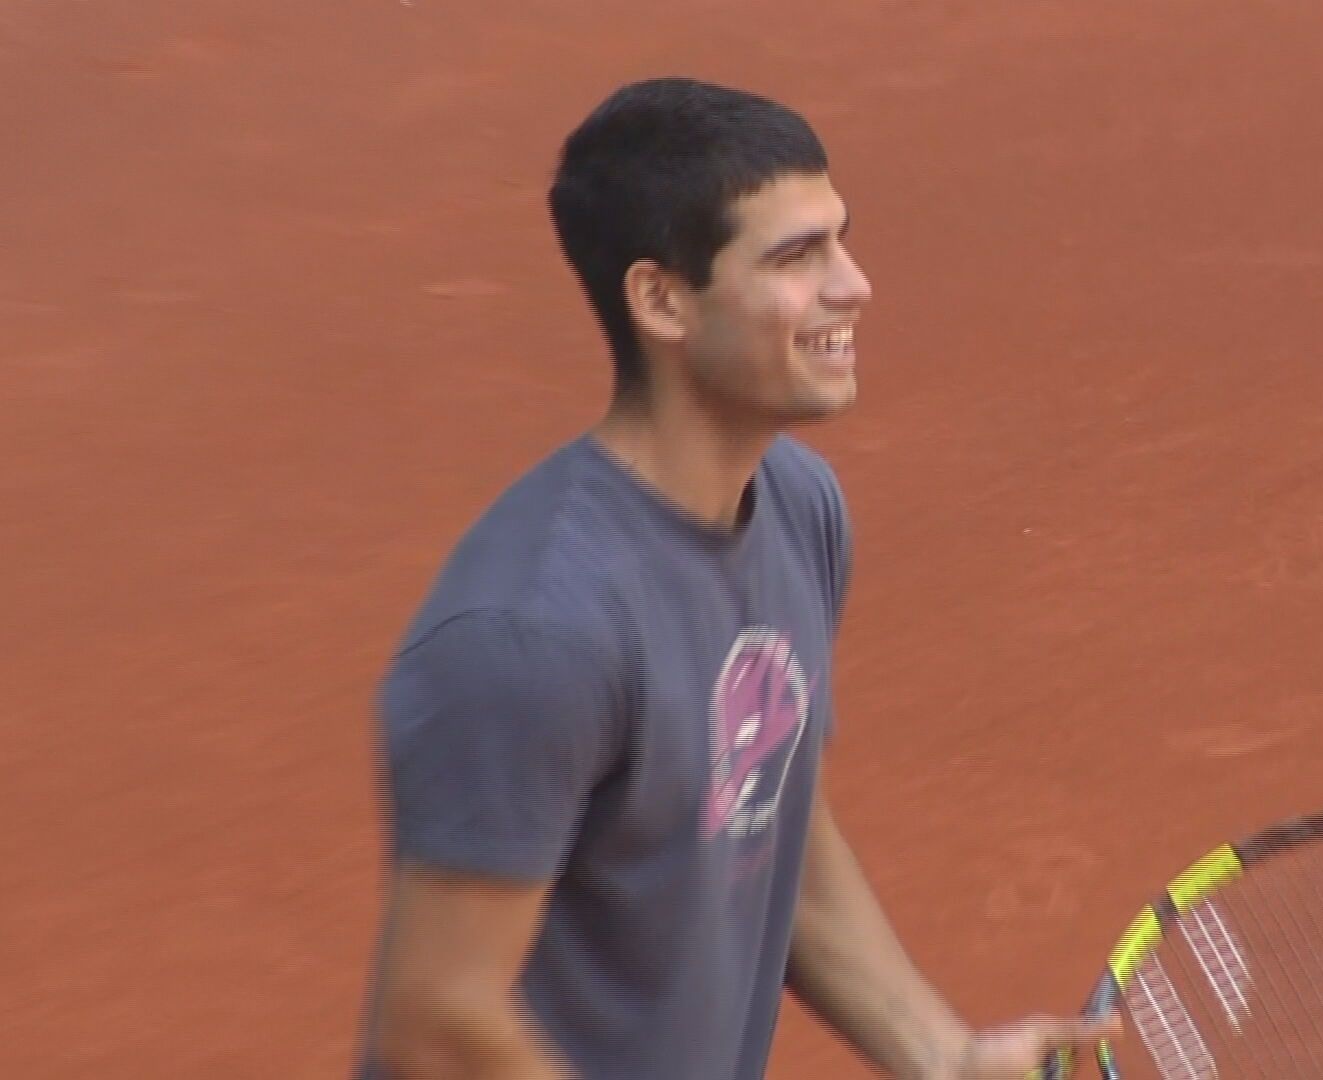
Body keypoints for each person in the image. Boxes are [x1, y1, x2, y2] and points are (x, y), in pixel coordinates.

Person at [354, 77, 1117, 1079]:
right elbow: (436, 1025)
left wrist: (944, 1058)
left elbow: (763, 814)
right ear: (661, 300)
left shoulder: (798, 506)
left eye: (840, 240)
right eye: (797, 258)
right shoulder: (533, 635)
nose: (855, 285)